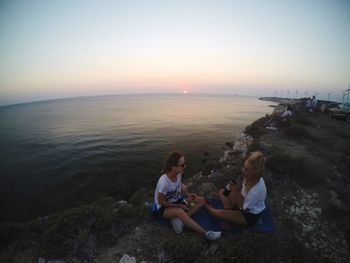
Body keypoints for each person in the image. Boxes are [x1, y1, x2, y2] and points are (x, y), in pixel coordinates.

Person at [153, 151, 221, 240]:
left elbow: (179, 185)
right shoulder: (164, 183)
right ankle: (207, 234)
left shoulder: (178, 174)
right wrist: (179, 206)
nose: (185, 166)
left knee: (200, 200)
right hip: (164, 209)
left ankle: (181, 220)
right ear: (173, 167)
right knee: (180, 211)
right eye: (182, 165)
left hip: (177, 202)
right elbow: (160, 201)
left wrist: (188, 194)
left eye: (185, 164)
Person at [205, 151, 266, 227]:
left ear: (255, 172)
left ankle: (208, 208)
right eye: (244, 167)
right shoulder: (250, 177)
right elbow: (242, 193)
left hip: (248, 215)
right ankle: (230, 214)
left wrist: (236, 193)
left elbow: (244, 210)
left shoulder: (256, 189)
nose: (243, 170)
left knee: (215, 212)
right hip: (241, 202)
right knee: (222, 192)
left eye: (247, 169)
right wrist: (235, 190)